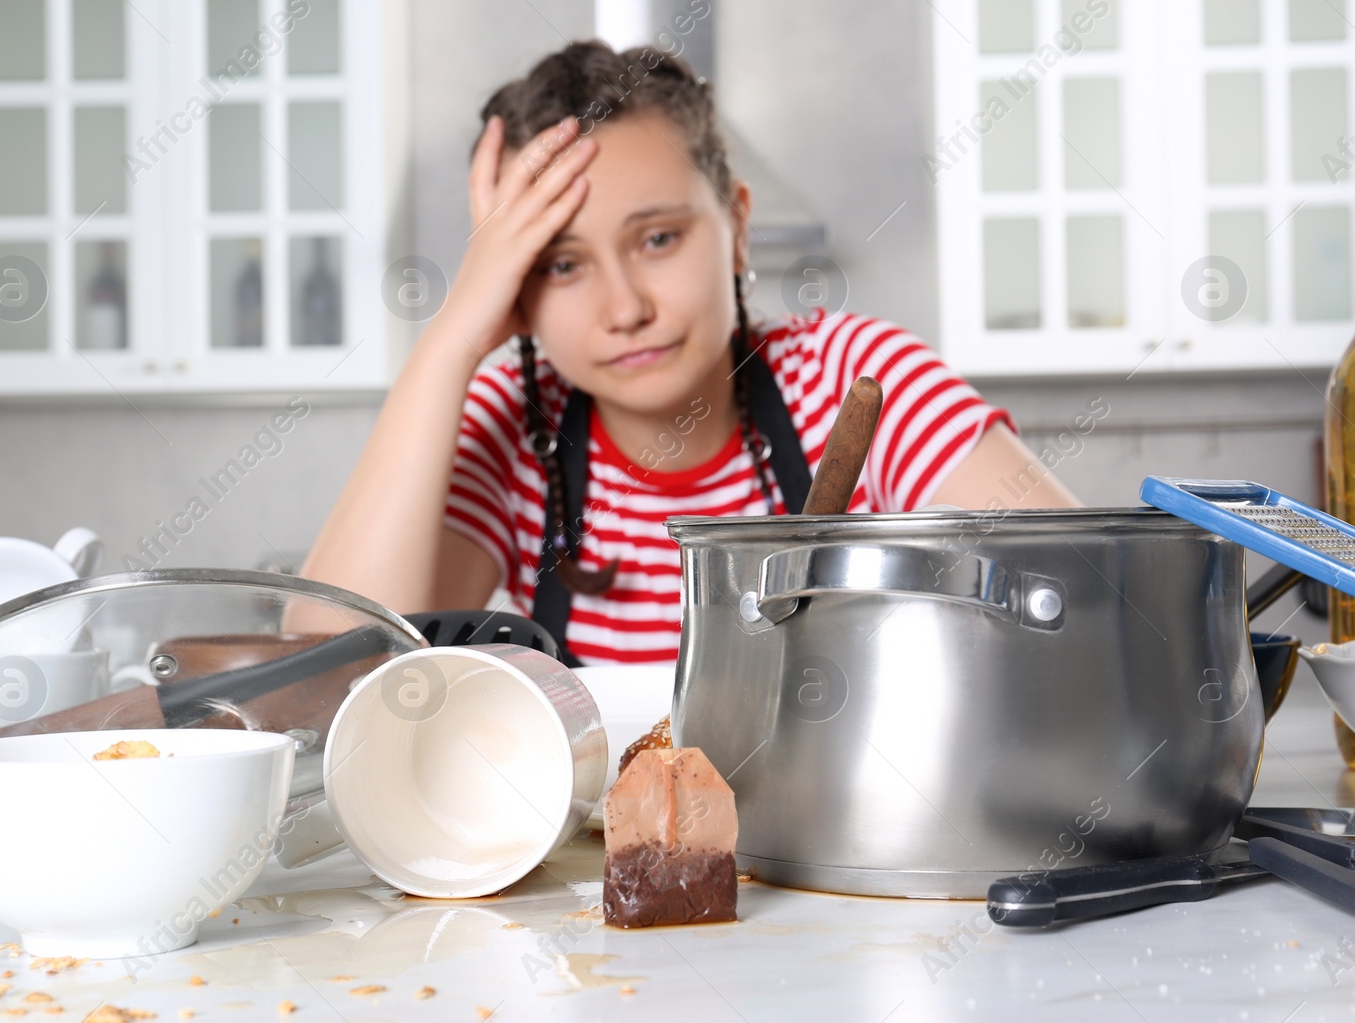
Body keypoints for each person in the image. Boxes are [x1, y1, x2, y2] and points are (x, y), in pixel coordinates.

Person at [302, 41, 1079, 666]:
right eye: (560, 264)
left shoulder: (852, 380)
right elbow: (324, 674)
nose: (627, 308)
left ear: (737, 226)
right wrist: (451, 337)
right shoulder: (513, 432)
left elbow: (1083, 605)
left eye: (658, 238)